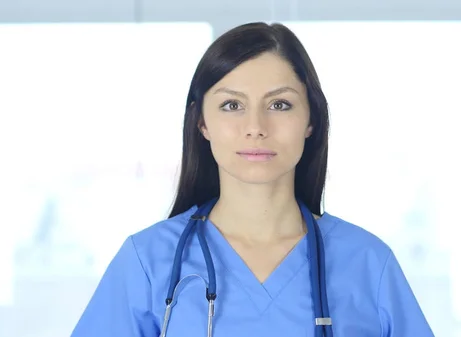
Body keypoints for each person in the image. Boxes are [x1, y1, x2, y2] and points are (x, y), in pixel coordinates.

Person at [71, 22, 435, 337]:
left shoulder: (367, 263)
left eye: (280, 105)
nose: (256, 128)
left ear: (311, 121)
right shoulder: (148, 262)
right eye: (232, 105)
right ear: (202, 123)